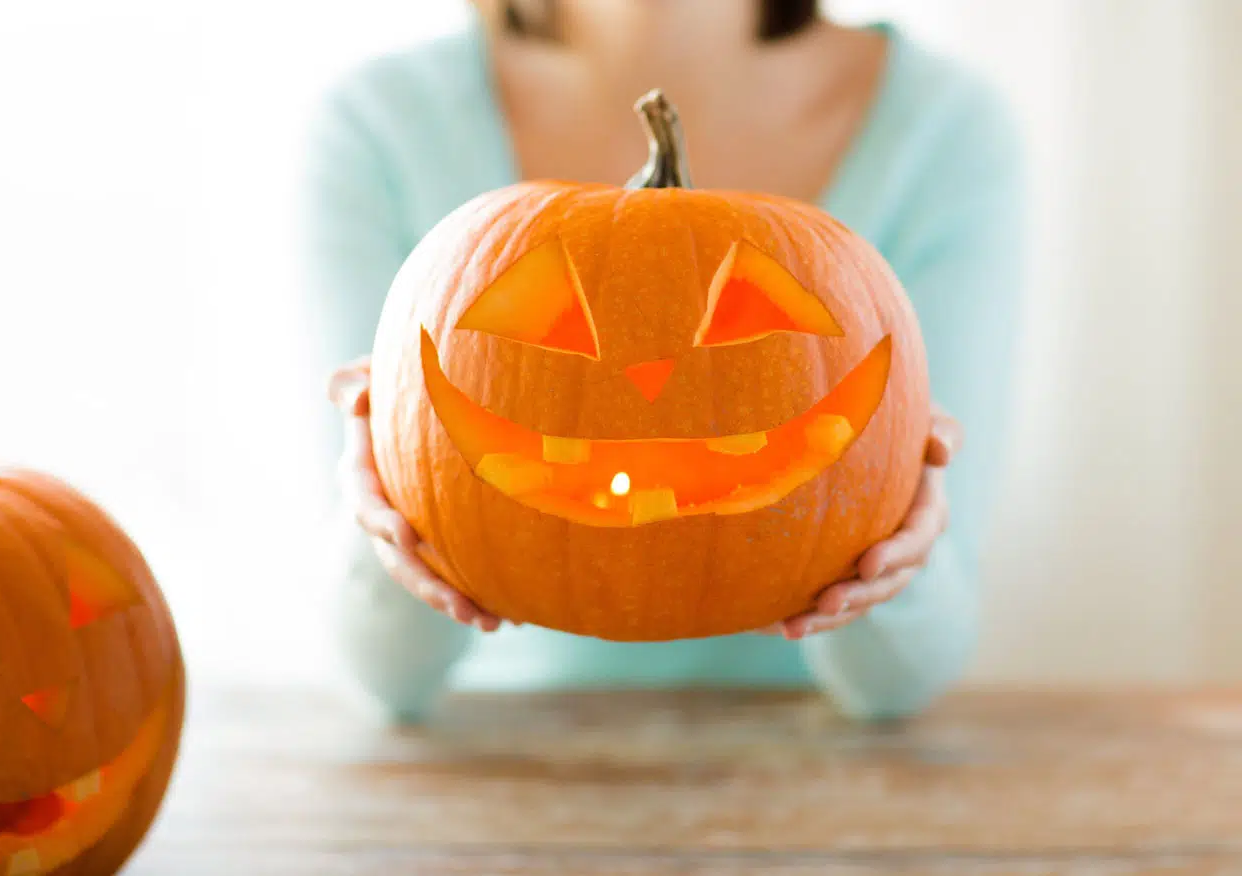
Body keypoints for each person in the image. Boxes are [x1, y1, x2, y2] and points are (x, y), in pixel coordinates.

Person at [305, 0, 1023, 723]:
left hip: (807, 762)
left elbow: (902, 683)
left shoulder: (945, 128)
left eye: (752, 327)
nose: (650, 378)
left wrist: (894, 554)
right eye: (551, 331)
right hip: (494, 754)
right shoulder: (378, 122)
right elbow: (381, 674)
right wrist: (390, 518)